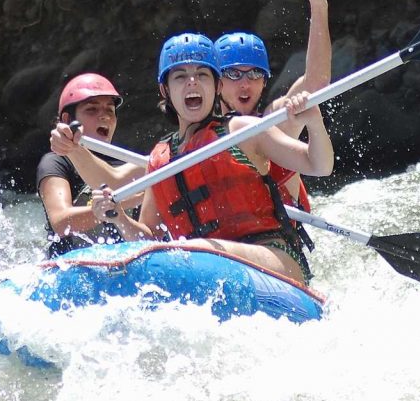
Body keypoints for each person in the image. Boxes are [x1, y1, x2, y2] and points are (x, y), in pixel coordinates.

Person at [91, 33, 334, 286]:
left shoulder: (243, 130)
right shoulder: (160, 160)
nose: (192, 82)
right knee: (181, 254)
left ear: (217, 87)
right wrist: (118, 217)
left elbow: (321, 166)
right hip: (202, 268)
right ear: (166, 89)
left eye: (202, 75)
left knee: (195, 250)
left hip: (274, 262)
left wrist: (314, 122)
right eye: (180, 76)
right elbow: (148, 241)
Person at [214, 0, 331, 213]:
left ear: (265, 80)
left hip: (280, 242)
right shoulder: (199, 138)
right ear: (216, 83)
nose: (245, 83)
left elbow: (317, 81)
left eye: (255, 74)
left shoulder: (274, 122)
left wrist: (318, 4)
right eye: (234, 74)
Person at [37, 73, 142, 258]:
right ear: (68, 120)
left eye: (110, 110)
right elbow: (61, 223)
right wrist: (122, 202)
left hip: (126, 261)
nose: (104, 117)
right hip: (70, 265)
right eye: (92, 110)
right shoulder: (55, 162)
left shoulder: (130, 164)